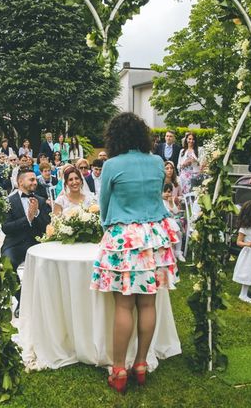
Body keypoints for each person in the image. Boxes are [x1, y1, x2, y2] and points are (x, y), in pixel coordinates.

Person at [90, 113, 180, 393]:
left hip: (124, 236)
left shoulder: (112, 165)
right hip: (154, 236)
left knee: (124, 305)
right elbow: (156, 196)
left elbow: (104, 204)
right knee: (148, 304)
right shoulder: (156, 163)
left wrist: (108, 227)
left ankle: (118, 368)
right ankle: (140, 363)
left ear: (114, 137)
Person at [0, 168, 51, 317]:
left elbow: (47, 227)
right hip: (15, 243)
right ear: (20, 182)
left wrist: (36, 214)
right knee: (6, 266)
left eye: (35, 179)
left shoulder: (41, 201)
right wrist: (27, 218)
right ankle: (22, 300)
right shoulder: (8, 201)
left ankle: (44, 303)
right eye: (31, 180)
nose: (35, 182)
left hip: (36, 243)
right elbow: (6, 228)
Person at [163, 183, 185, 262]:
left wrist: (171, 203)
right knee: (169, 234)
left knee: (179, 233)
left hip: (171, 220)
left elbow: (176, 212)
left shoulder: (170, 200)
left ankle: (178, 252)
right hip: (163, 221)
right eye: (165, 192)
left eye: (169, 192)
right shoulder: (160, 201)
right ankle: (170, 253)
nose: (167, 194)